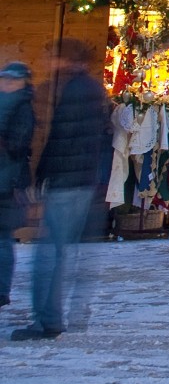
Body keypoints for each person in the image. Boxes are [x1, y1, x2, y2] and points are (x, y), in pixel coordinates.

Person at [15, 39, 109, 341]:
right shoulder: (90, 88)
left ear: (65, 59)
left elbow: (61, 137)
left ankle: (47, 319)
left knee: (50, 254)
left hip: (66, 181)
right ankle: (59, 315)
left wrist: (41, 176)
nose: (48, 61)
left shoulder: (71, 90)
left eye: (52, 56)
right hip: (83, 179)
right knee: (63, 251)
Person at [0, 62, 34, 309]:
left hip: (8, 183)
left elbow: (17, 146)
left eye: (13, 79)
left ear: (22, 82)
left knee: (2, 239)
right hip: (6, 179)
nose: (7, 83)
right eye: (5, 79)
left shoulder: (22, 109)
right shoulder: (6, 105)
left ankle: (1, 291)